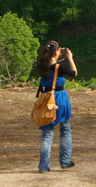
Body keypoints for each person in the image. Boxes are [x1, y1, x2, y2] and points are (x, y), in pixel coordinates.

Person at [36, 40, 77, 173]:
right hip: (59, 98)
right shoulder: (58, 67)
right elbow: (74, 72)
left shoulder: (42, 65)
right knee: (65, 130)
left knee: (47, 134)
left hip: (46, 98)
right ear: (55, 52)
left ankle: (43, 166)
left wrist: (58, 54)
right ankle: (65, 161)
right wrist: (69, 57)